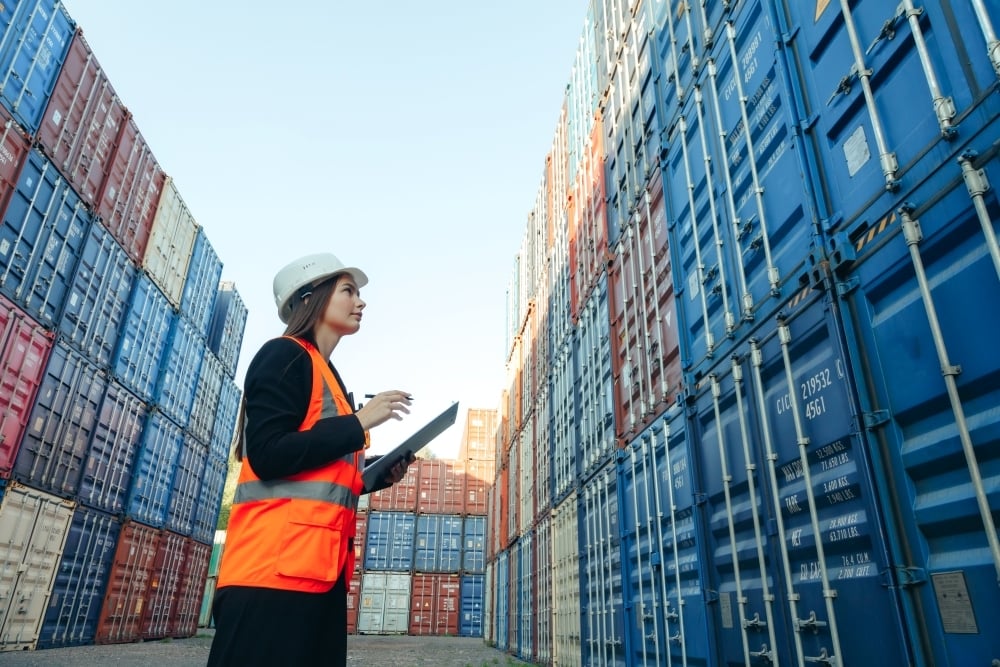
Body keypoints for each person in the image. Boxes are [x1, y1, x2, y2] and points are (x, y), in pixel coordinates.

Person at [207, 252, 414, 666]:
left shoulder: (328, 375)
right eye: (348, 291)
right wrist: (358, 424)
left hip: (316, 573)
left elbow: (320, 474)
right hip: (268, 576)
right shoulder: (283, 355)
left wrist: (376, 476)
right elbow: (266, 455)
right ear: (311, 298)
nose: (361, 302)